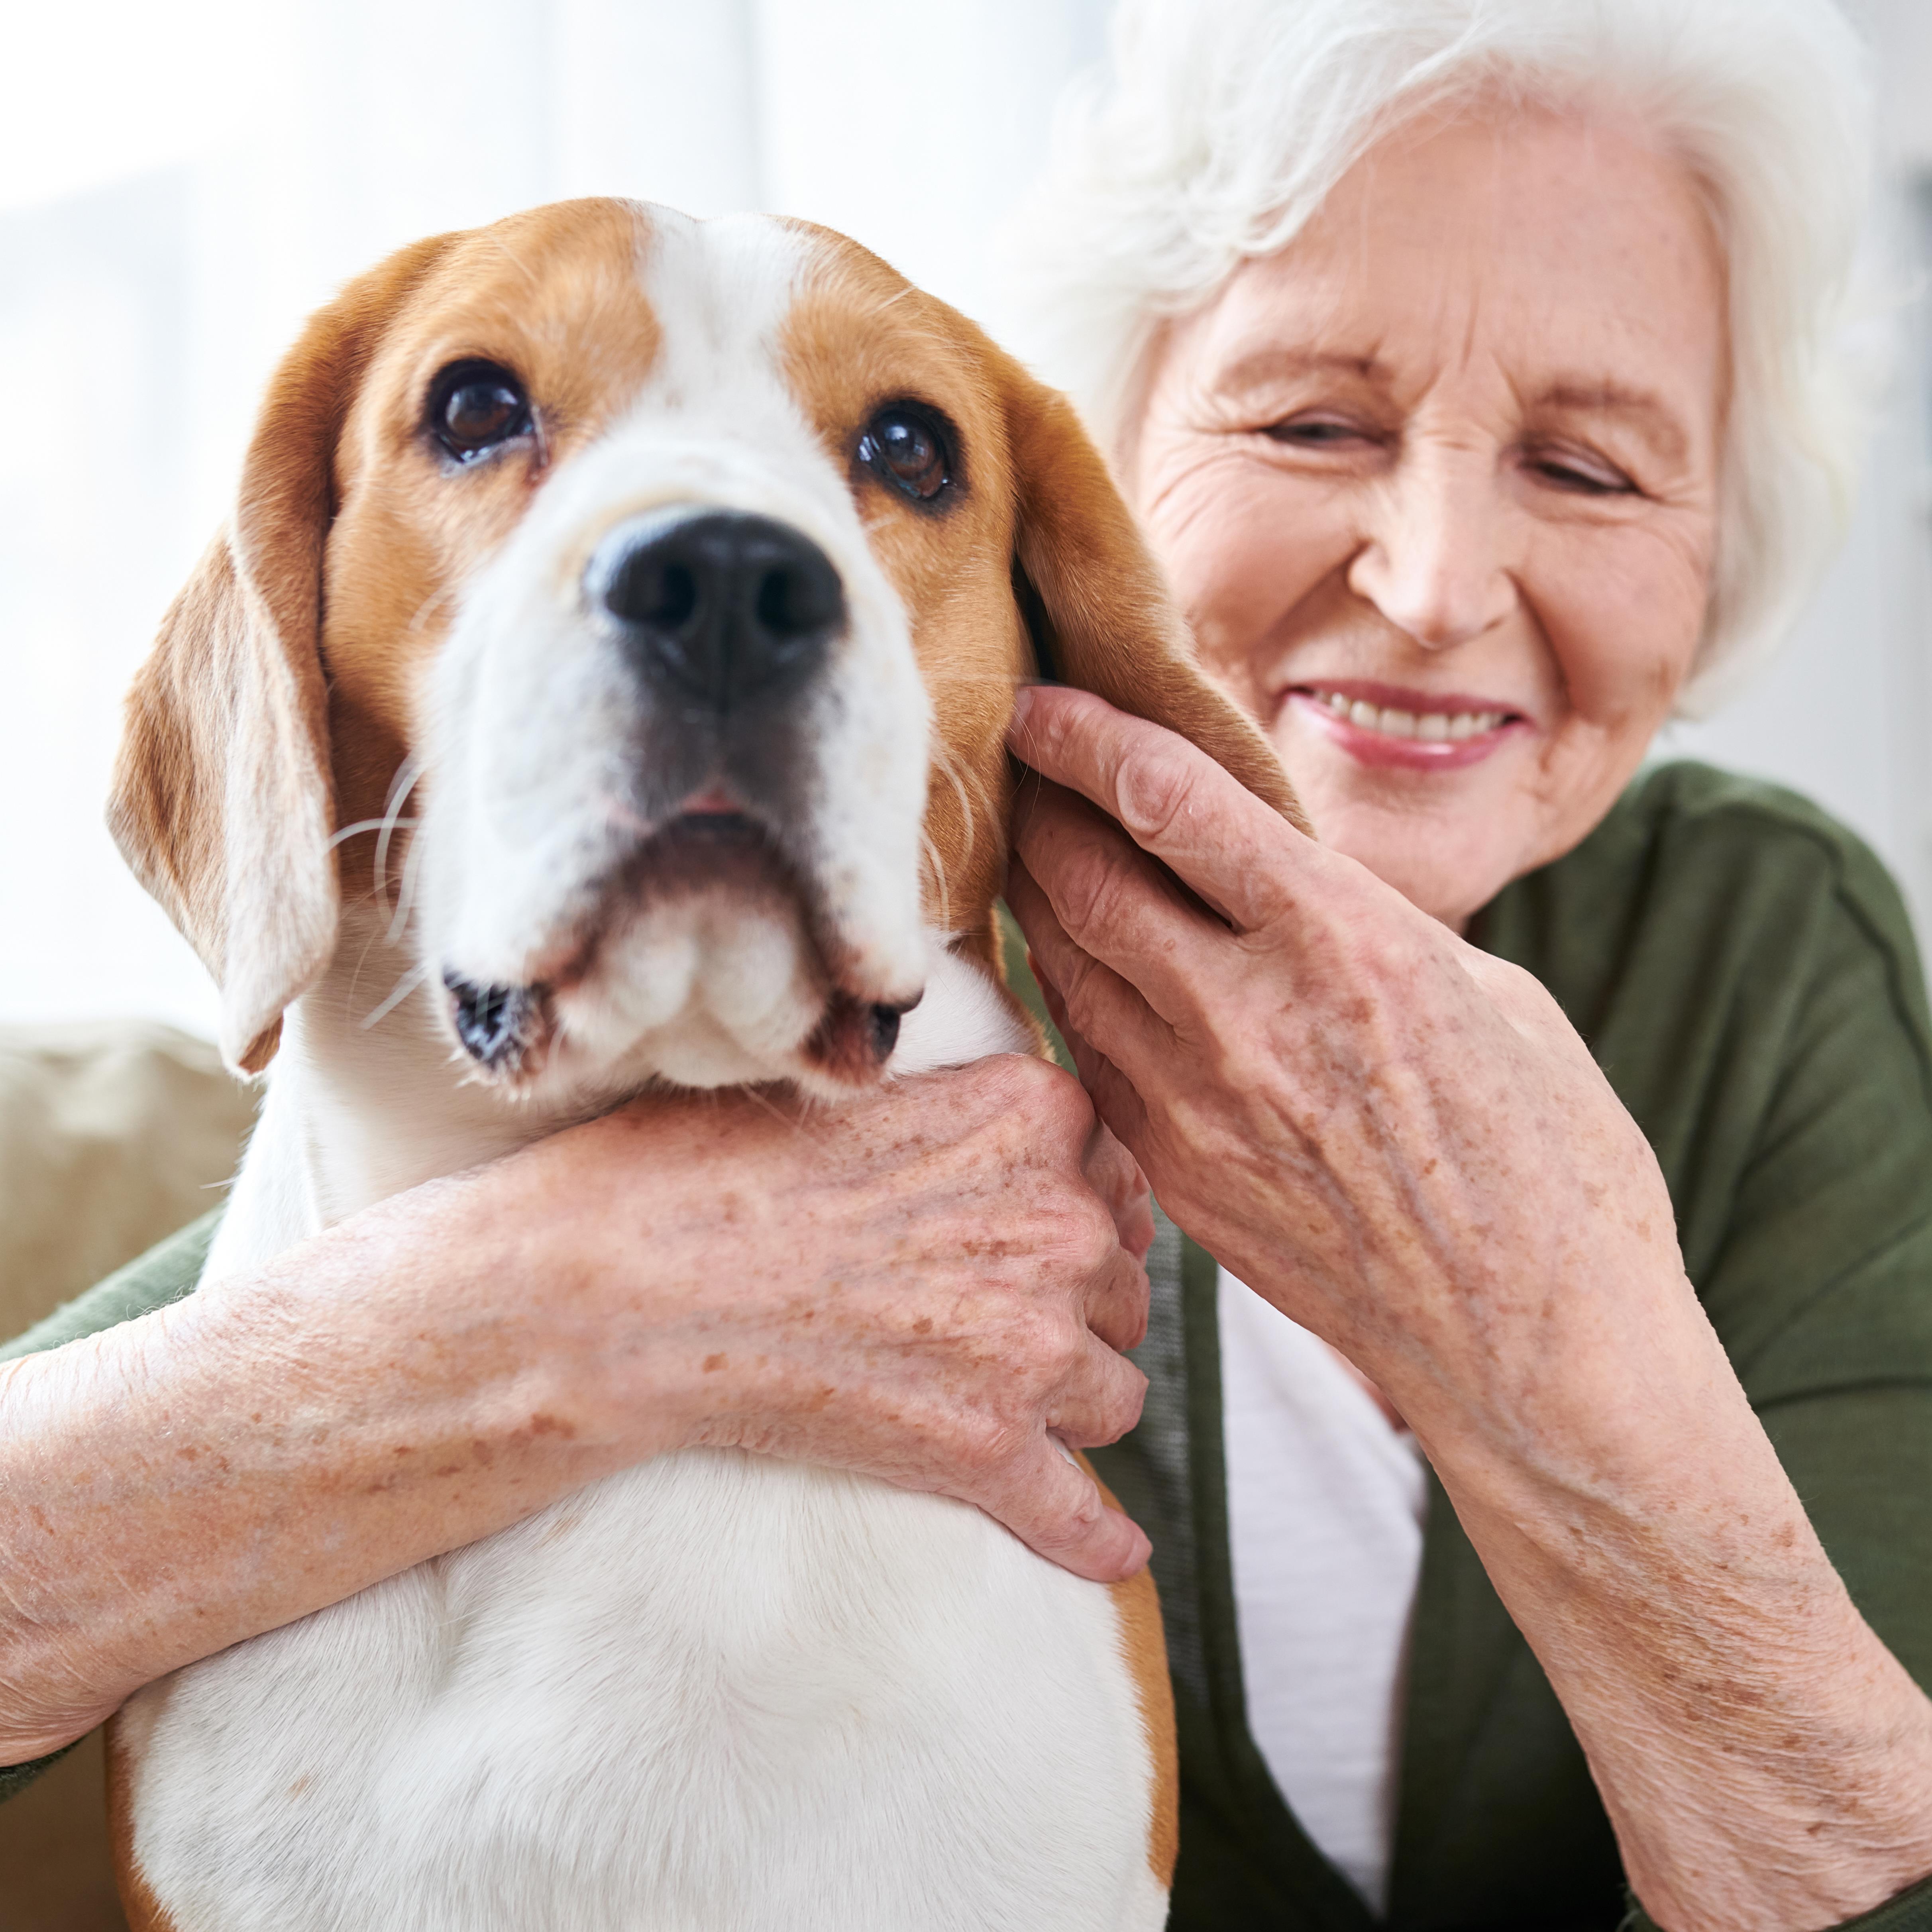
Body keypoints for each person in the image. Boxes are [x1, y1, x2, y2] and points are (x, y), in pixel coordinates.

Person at [3, 0, 1929, 1927]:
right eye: (1314, 423)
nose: (1432, 583)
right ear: (1107, 496)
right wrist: (602, 1294)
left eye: (1589, 468)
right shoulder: (856, 961)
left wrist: (1554, 1354)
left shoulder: (1759, 957)